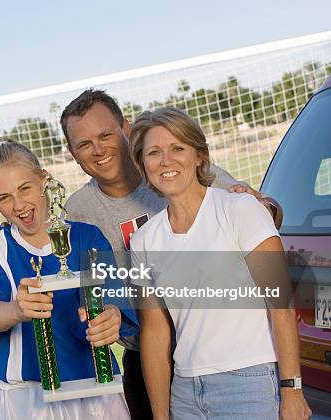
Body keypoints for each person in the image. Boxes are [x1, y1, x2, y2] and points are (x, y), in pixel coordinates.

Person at [59, 89, 268, 418]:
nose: (98, 150)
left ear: (126, 129)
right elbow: (91, 295)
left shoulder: (173, 168)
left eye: (105, 135)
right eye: (84, 144)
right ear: (72, 153)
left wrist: (266, 206)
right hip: (147, 354)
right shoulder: (76, 211)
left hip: (221, 356)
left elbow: (261, 216)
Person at [128, 107, 311, 419]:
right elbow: (155, 332)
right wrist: (160, 415)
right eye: (154, 153)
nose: (166, 161)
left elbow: (281, 304)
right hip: (184, 391)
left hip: (249, 384)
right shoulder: (143, 239)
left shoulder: (240, 210)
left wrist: (292, 389)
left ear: (199, 156)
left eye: (177, 148)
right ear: (143, 165)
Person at [0, 138, 138, 419]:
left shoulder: (87, 236)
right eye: (5, 197)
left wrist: (112, 317)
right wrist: (16, 309)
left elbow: (114, 301)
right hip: (24, 396)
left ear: (43, 179)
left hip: (95, 390)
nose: (19, 204)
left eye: (25, 188)